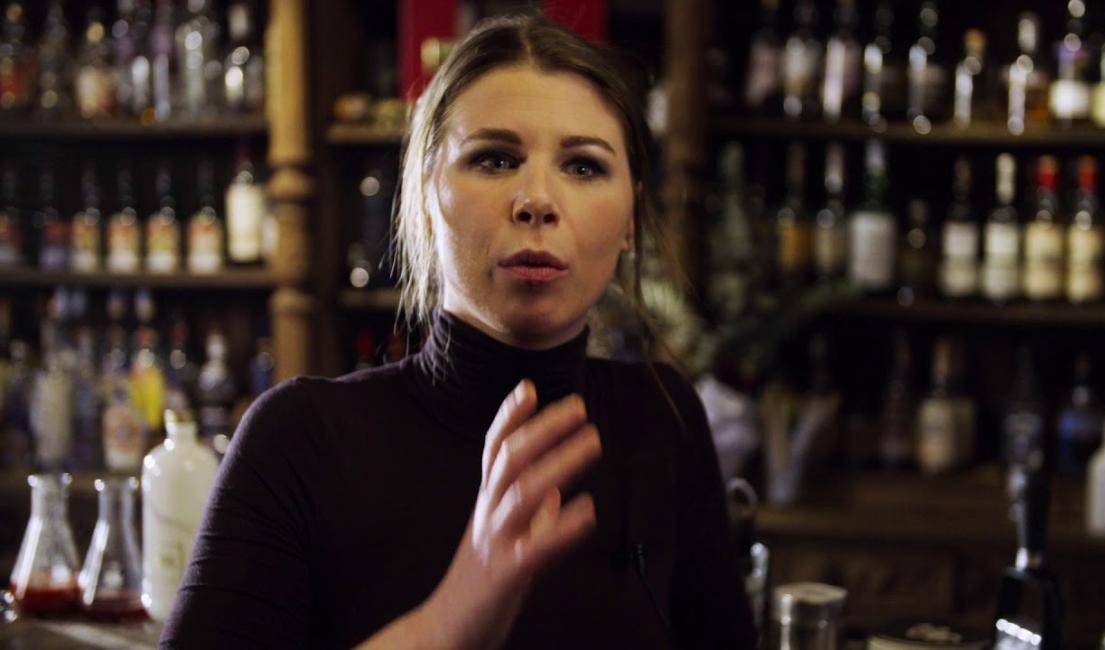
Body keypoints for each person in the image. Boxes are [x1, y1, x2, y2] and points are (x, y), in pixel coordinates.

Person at [160, 13, 755, 649]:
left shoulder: (663, 418)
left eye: (583, 167)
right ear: (422, 199)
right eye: (495, 159)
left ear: (631, 217)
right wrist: (449, 620)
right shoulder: (300, 439)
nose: (537, 199)